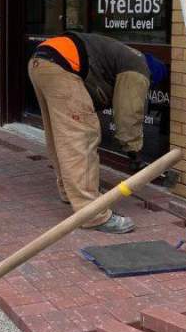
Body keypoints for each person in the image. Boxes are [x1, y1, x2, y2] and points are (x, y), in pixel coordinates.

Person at [28, 32, 156, 234]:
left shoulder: (122, 56)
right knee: (82, 135)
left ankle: (69, 191)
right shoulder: (139, 67)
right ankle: (92, 214)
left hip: (42, 62)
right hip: (63, 66)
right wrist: (133, 149)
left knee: (60, 135)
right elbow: (128, 112)